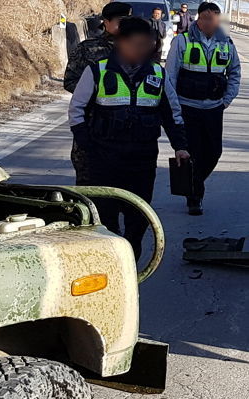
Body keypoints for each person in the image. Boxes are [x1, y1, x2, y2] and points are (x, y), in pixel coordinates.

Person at [69, 17, 190, 260]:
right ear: (119, 43)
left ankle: (131, 256)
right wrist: (87, 146)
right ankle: (112, 260)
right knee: (105, 218)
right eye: (133, 43)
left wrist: (181, 147)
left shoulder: (158, 74)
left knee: (138, 217)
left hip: (142, 161)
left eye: (145, 43)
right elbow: (76, 110)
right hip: (104, 160)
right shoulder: (97, 71)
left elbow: (172, 114)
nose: (139, 49)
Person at [166, 2, 241, 215]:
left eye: (215, 19)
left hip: (214, 108)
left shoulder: (226, 42)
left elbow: (234, 72)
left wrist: (227, 99)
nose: (210, 22)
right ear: (198, 18)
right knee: (192, 153)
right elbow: (170, 75)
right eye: (206, 18)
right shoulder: (182, 41)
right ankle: (194, 196)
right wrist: (174, 105)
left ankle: (193, 182)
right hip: (187, 106)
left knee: (214, 153)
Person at [64, 2, 132, 185]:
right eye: (120, 21)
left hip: (128, 129)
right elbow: (70, 80)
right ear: (106, 22)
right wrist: (95, 92)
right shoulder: (87, 49)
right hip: (93, 125)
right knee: (89, 182)